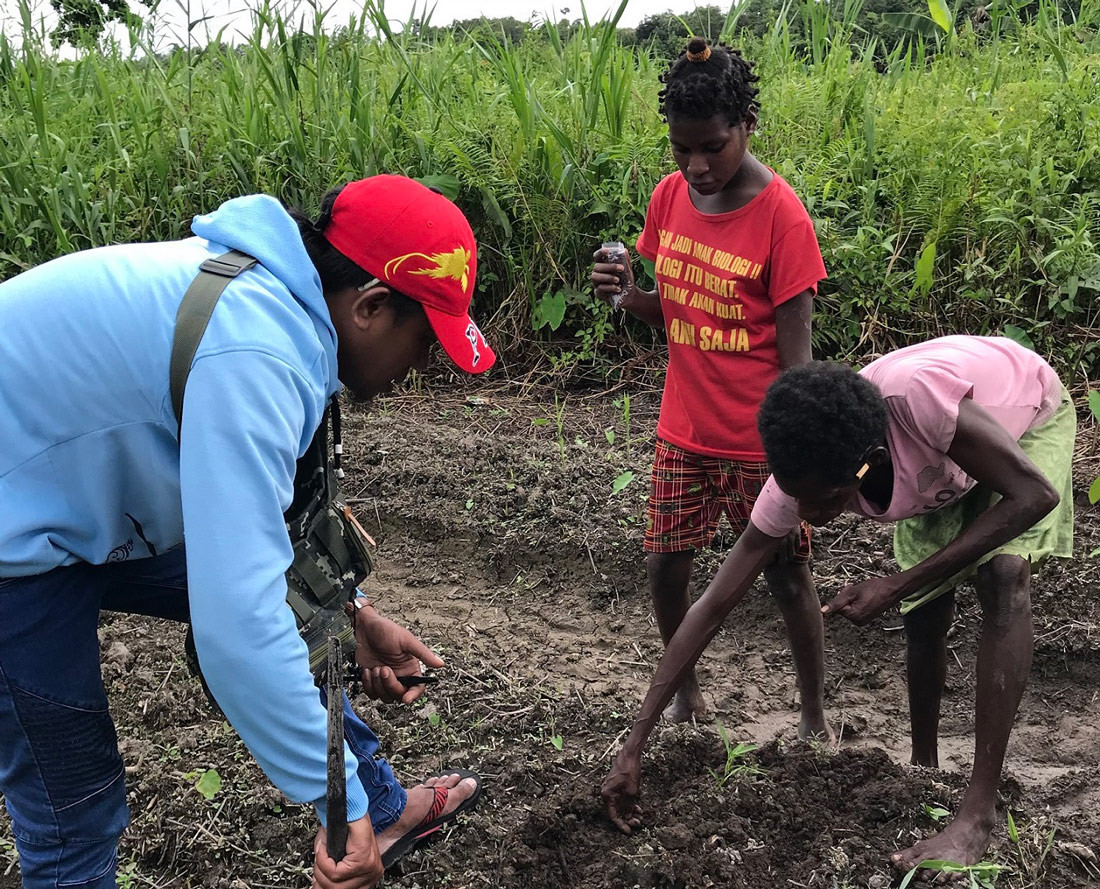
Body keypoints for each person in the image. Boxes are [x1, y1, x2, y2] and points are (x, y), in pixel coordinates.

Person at [0, 175, 494, 889]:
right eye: (423, 342)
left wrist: (350, 615)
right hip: (16, 534)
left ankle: (381, 807)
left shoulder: (285, 303)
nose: (424, 365)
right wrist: (335, 807)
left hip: (64, 484)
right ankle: (365, 808)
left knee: (296, 600)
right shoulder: (260, 354)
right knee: (73, 807)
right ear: (371, 306)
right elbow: (237, 630)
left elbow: (266, 558)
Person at [602, 335, 1074, 873]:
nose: (804, 513)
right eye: (796, 498)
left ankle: (977, 815)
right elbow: (712, 605)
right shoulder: (805, 473)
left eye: (825, 499)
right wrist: (634, 743)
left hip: (1024, 419)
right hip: (942, 466)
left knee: (1002, 576)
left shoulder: (917, 407)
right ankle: (923, 767)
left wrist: (895, 583)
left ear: (867, 465)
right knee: (925, 615)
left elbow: (1033, 495)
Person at [590, 37, 829, 735]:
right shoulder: (671, 199)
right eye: (681, 149)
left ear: (748, 125)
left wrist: (795, 458)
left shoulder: (783, 219)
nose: (696, 166)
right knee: (666, 569)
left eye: (713, 148)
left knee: (786, 577)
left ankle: (814, 714)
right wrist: (629, 296)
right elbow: (679, 313)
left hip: (760, 444)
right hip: (683, 432)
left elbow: (799, 365)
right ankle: (688, 691)